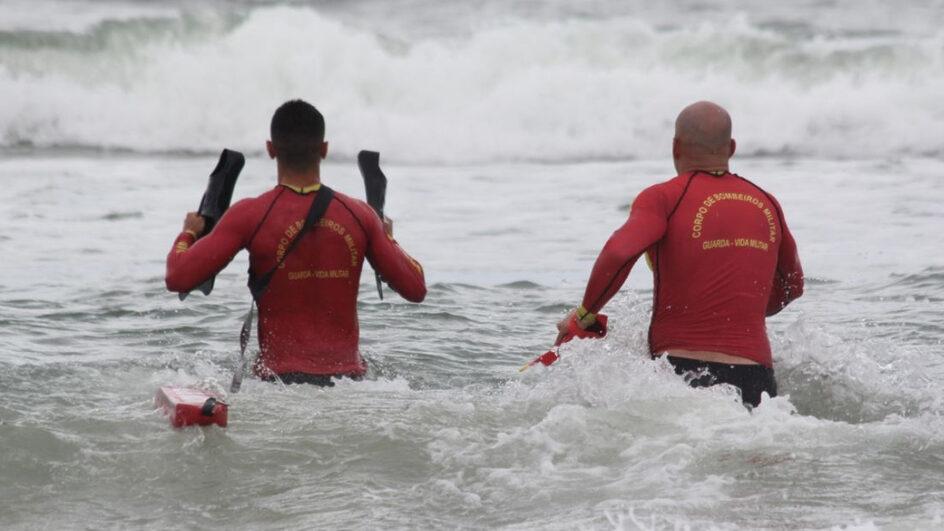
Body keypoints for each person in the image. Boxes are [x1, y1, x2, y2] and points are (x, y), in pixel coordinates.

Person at [557, 101, 803, 407]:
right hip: (758, 380)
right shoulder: (766, 202)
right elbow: (793, 285)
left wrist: (584, 316)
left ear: (675, 147)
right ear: (732, 147)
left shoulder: (663, 197)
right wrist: (738, 307)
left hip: (681, 374)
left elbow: (620, 252)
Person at [166, 99, 426, 385]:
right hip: (350, 384)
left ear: (270, 149)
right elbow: (416, 288)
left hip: (278, 385)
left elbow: (178, 277)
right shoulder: (361, 215)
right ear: (324, 150)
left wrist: (189, 232)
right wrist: (388, 237)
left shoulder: (250, 214)